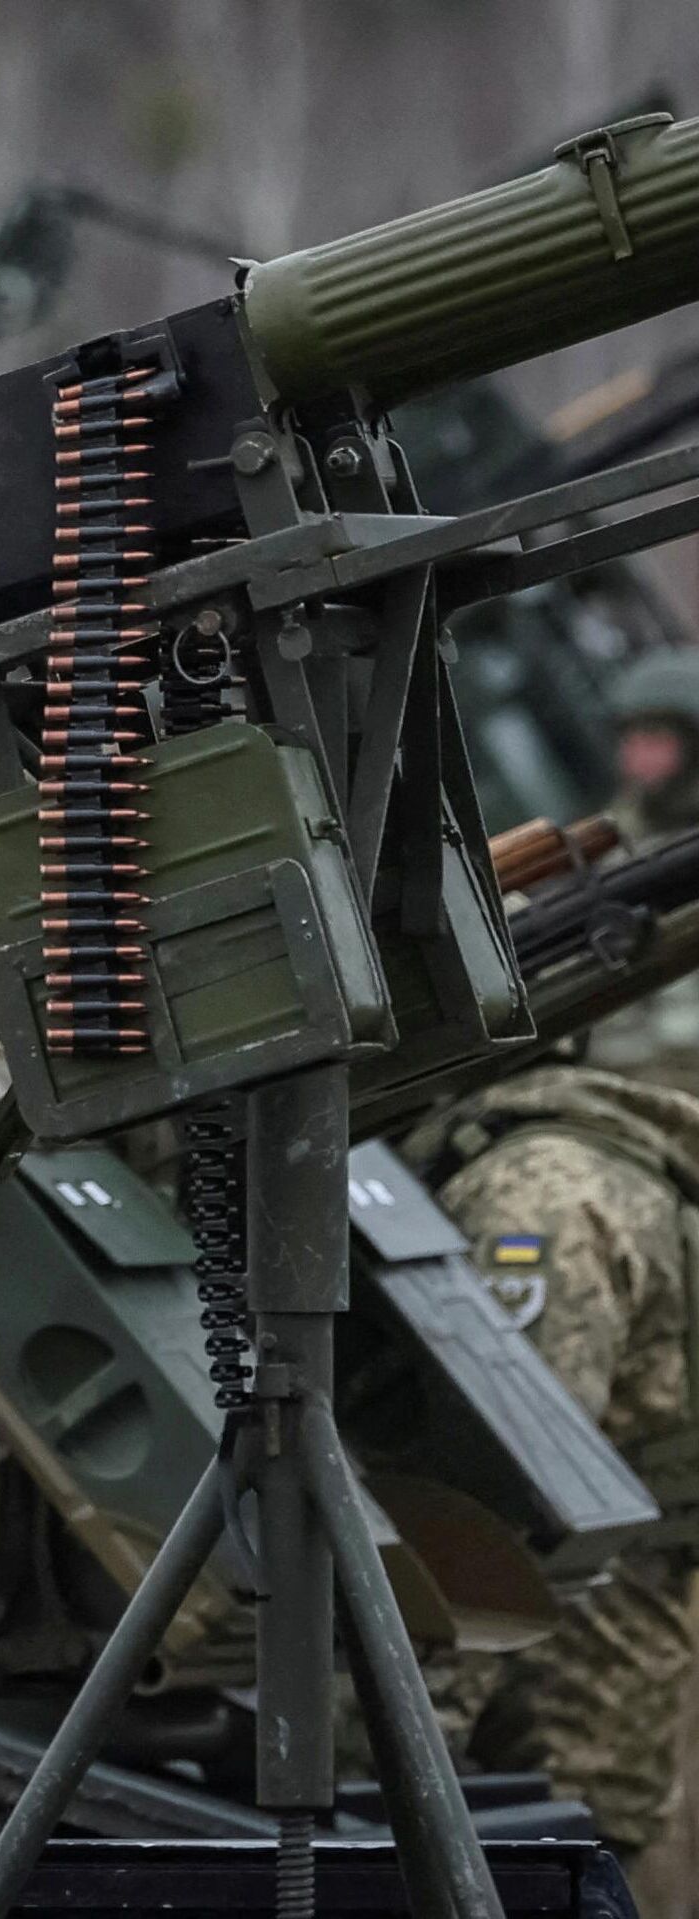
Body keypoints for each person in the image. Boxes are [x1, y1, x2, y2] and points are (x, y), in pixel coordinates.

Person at [401, 1061, 699, 1864]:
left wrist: (416, 1730)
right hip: (587, 1692)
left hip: (544, 1703)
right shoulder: (600, 1166)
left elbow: (511, 1489)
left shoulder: (542, 1193)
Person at [586, 650, 699, 1098]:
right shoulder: (617, 839)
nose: (636, 754)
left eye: (654, 737)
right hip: (621, 1065)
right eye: (630, 737)